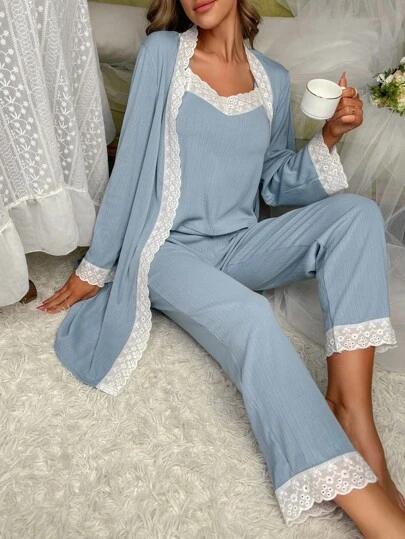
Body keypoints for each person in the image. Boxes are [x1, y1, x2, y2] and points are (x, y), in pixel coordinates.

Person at [38, 0, 405, 534]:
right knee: (253, 318)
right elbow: (132, 164)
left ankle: (354, 414)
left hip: (237, 245)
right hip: (166, 250)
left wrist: (329, 137)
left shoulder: (272, 79)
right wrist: (93, 269)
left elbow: (273, 183)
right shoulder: (164, 54)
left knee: (357, 215)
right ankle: (373, 512)